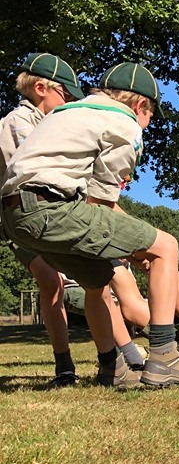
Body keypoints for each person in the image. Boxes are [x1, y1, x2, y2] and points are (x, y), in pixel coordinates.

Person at [0, 61, 179, 388]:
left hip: (14, 218)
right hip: (52, 208)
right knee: (167, 246)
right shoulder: (124, 122)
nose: (149, 121)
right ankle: (164, 356)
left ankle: (111, 367)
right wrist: (142, 247)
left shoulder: (66, 112)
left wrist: (132, 243)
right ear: (141, 105)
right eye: (151, 114)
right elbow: (100, 202)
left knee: (96, 281)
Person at [0, 53, 84, 386]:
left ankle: (120, 354)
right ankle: (64, 365)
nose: (67, 104)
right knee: (51, 281)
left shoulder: (44, 124)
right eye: (64, 95)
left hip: (46, 213)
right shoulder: (20, 122)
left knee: (70, 282)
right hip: (20, 215)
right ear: (40, 88)